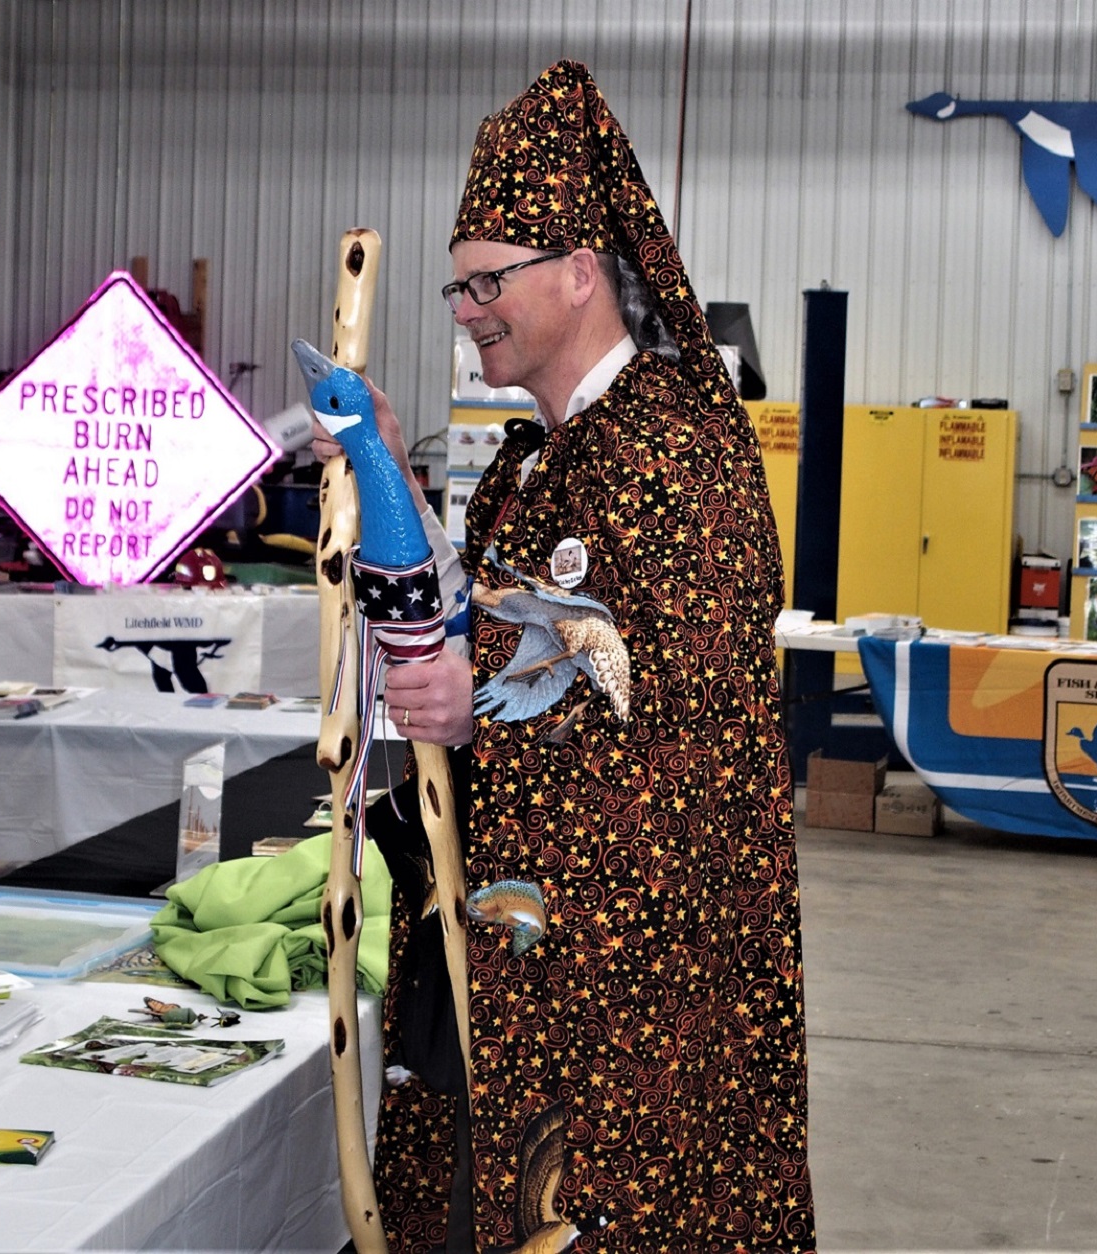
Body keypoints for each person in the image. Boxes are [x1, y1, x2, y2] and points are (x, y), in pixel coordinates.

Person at [315, 59, 814, 1253]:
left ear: (582, 270)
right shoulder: (535, 459)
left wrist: (482, 700)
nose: (465, 308)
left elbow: (685, 691)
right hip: (517, 954)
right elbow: (471, 611)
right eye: (458, 285)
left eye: (488, 281)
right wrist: (385, 468)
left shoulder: (676, 448)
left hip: (633, 988)